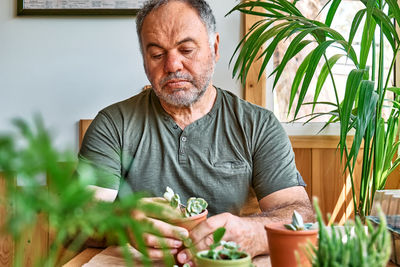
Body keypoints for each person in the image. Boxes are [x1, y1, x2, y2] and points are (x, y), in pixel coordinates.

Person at [78, 0, 314, 265]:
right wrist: (122, 226)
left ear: (214, 48)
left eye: (186, 50)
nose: (172, 65)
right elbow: (80, 220)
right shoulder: (113, 124)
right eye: (157, 54)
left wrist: (252, 231)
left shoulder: (258, 125)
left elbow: (299, 213)